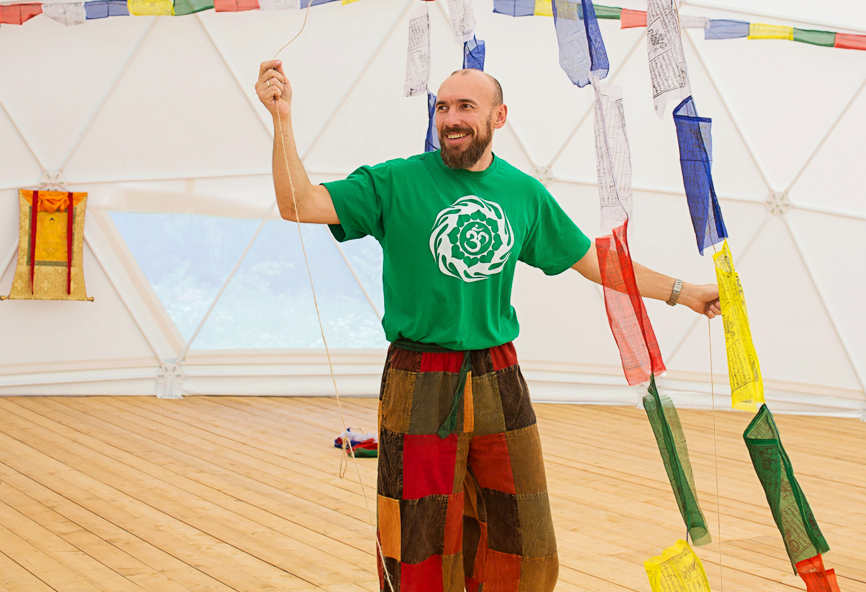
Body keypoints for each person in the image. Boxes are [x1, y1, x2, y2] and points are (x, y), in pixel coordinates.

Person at [256, 59, 720, 592]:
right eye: (442, 107)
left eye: (465, 107)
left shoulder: (522, 192)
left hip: (498, 374)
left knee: (524, 536)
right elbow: (299, 203)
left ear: (498, 117)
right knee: (418, 539)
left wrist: (684, 292)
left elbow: (594, 261)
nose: (451, 118)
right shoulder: (395, 181)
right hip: (419, 375)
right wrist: (282, 119)